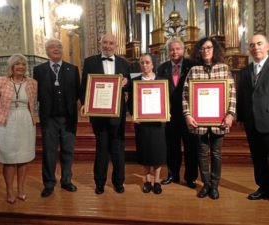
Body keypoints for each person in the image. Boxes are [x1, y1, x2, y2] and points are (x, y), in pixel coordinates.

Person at [182, 37, 236, 199]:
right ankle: (206, 184)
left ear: (215, 50)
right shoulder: (194, 71)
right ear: (199, 51)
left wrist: (230, 114)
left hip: (220, 121)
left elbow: (232, 93)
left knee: (216, 154)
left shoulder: (224, 69)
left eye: (209, 48)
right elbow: (185, 95)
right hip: (199, 122)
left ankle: (215, 185)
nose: (206, 50)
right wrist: (187, 115)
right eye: (203, 48)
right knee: (202, 153)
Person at [80, 33, 130, 194]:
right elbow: (84, 85)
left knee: (117, 149)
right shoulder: (90, 62)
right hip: (98, 113)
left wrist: (126, 82)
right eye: (105, 42)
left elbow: (129, 84)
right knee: (101, 148)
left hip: (117, 113)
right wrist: (84, 104)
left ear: (116, 45)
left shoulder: (124, 63)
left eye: (111, 43)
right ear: (100, 43)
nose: (108, 45)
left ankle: (118, 181)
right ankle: (99, 182)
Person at [236, 34, 269, 210]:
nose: (256, 47)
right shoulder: (245, 71)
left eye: (259, 43)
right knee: (259, 159)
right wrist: (240, 118)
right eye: (252, 45)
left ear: (268, 46)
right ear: (249, 49)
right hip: (251, 123)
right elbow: (242, 97)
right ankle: (264, 188)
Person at [33, 38, 80, 197]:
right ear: (46, 51)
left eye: (59, 46)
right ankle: (49, 183)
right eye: (52, 47)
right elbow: (35, 95)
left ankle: (66, 181)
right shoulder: (38, 70)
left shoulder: (73, 69)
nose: (56, 49)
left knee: (68, 151)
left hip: (69, 118)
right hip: (49, 119)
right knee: (49, 152)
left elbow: (80, 92)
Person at [0, 53, 37, 204]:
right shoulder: (0, 81)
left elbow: (33, 103)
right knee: (9, 159)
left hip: (25, 121)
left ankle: (21, 189)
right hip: (6, 122)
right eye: (17, 64)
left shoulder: (32, 83)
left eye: (23, 64)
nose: (21, 67)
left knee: (23, 158)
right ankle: (9, 190)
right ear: (11, 66)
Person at [157, 38, 198, 188]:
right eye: (172, 50)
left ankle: (190, 177)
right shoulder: (161, 68)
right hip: (170, 115)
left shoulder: (193, 66)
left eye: (177, 49)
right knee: (172, 147)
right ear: (168, 52)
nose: (174, 52)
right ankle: (172, 175)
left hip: (189, 115)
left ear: (183, 50)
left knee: (190, 147)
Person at [127, 53, 167, 194]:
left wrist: (167, 113)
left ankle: (157, 181)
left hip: (158, 123)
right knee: (144, 152)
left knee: (158, 152)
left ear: (153, 64)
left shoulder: (162, 80)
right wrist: (133, 115)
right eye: (142, 62)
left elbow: (168, 101)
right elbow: (130, 102)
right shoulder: (135, 81)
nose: (144, 65)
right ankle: (147, 180)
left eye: (147, 62)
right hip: (142, 123)